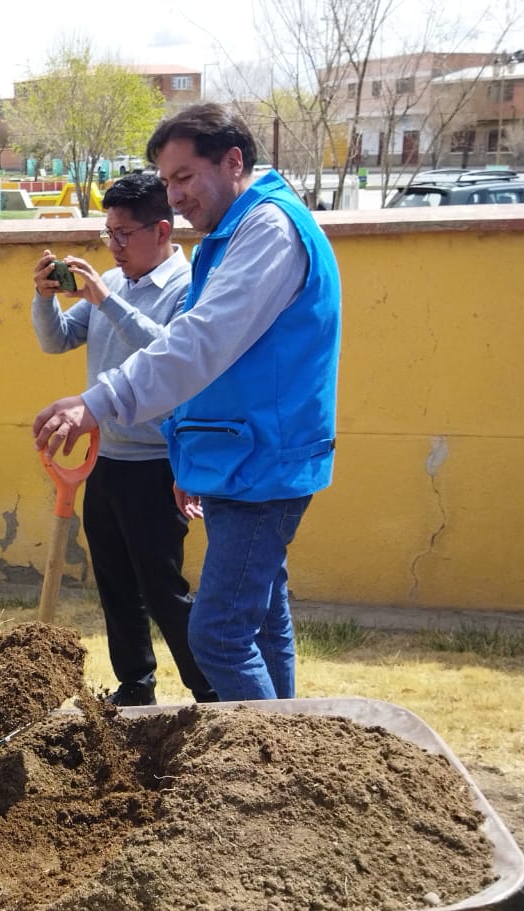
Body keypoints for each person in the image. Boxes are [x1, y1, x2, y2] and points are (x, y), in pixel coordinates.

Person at [33, 102, 341, 702]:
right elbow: (220, 361)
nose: (173, 197)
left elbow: (199, 343)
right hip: (238, 460)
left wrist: (99, 401)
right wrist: (192, 450)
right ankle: (291, 748)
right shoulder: (234, 235)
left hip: (262, 464)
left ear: (232, 161)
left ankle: (268, 772)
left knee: (219, 632)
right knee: (262, 616)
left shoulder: (269, 230)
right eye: (167, 182)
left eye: (183, 178)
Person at [30, 173, 214, 707]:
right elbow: (56, 340)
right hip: (105, 459)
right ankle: (136, 687)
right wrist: (44, 297)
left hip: (158, 464)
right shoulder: (115, 281)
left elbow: (172, 357)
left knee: (163, 588)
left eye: (123, 234)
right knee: (114, 583)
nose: (113, 246)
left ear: (161, 230)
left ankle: (209, 691)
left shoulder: (188, 288)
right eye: (108, 233)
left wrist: (106, 298)